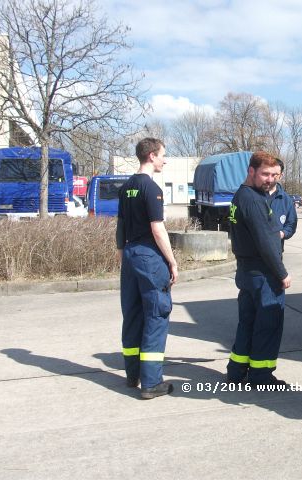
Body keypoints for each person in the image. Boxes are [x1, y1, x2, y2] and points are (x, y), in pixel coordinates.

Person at [116, 137, 178, 400]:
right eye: (163, 155)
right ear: (151, 156)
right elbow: (157, 228)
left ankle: (133, 375)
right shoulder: (151, 188)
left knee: (132, 315)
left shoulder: (126, 187)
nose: (165, 160)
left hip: (129, 254)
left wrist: (123, 257)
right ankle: (151, 383)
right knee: (156, 315)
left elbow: (120, 227)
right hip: (148, 256)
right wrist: (172, 261)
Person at [226, 151, 292, 386]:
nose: (271, 179)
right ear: (251, 171)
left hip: (246, 271)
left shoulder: (240, 196)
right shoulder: (254, 200)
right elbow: (267, 242)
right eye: (265, 174)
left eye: (275, 175)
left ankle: (236, 370)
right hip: (263, 273)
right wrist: (282, 273)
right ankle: (261, 375)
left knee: (248, 322)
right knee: (268, 324)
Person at [270, 158, 297, 249]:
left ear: (281, 176)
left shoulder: (286, 200)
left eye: (275, 174)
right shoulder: (254, 196)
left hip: (276, 251)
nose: (270, 177)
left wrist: (282, 233)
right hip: (252, 254)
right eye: (267, 173)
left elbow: (291, 224)